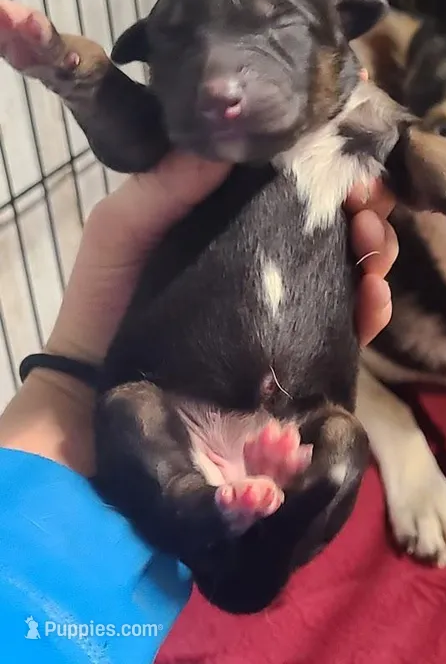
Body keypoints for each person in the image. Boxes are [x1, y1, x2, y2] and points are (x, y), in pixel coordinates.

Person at [0, 150, 399, 663]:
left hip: (280, 414)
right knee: (131, 409)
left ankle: (271, 512)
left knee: (343, 440)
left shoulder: (331, 128)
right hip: (186, 417)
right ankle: (240, 504)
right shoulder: (219, 136)